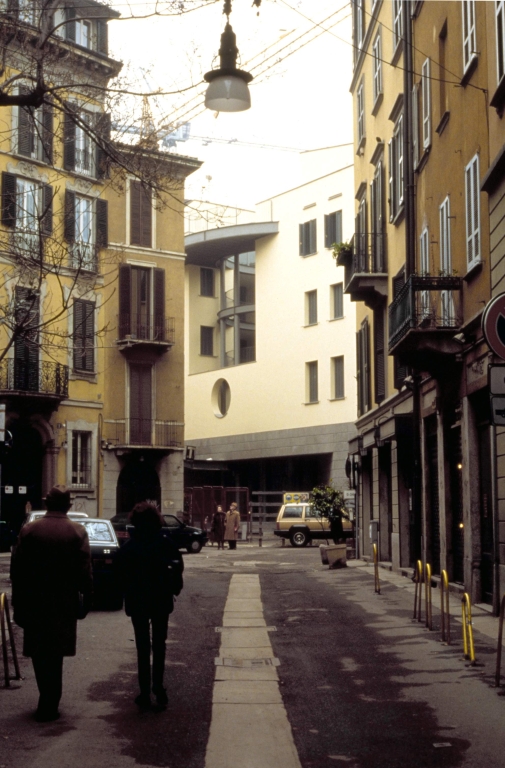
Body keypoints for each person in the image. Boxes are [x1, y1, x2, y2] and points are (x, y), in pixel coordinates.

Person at [11, 485, 92, 723]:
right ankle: (50, 701)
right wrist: (86, 598)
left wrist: (17, 603)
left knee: (39, 651)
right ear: (68, 506)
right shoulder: (77, 531)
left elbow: (17, 570)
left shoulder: (29, 530)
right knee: (56, 653)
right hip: (63, 601)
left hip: (34, 600)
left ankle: (45, 697)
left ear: (46, 504)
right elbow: (85, 571)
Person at [114, 502, 184, 711]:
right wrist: (174, 589)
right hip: (161, 599)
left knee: (142, 646)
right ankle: (159, 688)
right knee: (159, 644)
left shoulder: (129, 547)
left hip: (138, 601)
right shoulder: (165, 543)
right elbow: (177, 568)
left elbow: (120, 575)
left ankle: (144, 692)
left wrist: (125, 593)